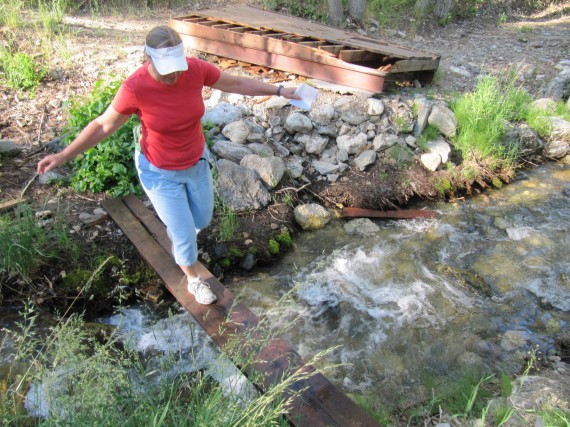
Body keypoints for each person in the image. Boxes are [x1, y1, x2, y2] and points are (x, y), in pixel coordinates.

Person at [37, 25, 301, 305]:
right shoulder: (135, 87)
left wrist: (281, 89)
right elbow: (103, 125)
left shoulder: (195, 69)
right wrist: (63, 155)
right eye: (167, 68)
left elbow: (235, 83)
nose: (174, 74)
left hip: (195, 162)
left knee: (202, 220)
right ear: (148, 59)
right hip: (159, 171)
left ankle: (179, 228)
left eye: (177, 66)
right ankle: (194, 279)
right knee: (185, 235)